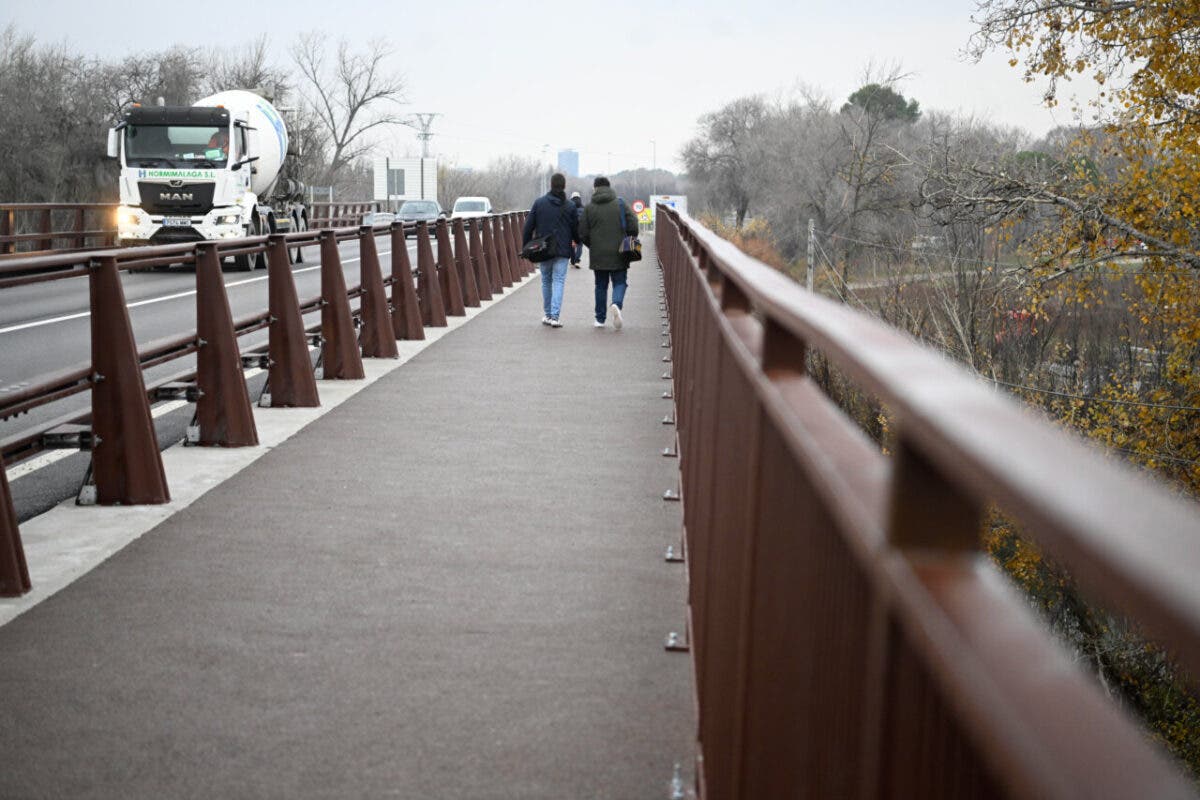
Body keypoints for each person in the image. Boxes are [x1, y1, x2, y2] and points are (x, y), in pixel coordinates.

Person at [578, 176, 638, 330]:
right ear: (609, 187)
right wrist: (628, 240)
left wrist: (593, 245)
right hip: (620, 251)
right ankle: (616, 304)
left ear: (595, 188)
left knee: (600, 285)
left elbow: (582, 232)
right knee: (620, 282)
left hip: (598, 254)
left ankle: (600, 319)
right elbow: (633, 225)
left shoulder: (589, 208)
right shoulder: (620, 204)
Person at [522, 172, 578, 328]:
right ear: (564, 186)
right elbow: (575, 229)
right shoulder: (570, 206)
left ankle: (547, 315)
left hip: (544, 249)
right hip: (562, 250)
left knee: (546, 281)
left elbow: (528, 227)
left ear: (551, 185)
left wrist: (526, 247)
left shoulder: (539, 203)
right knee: (558, 281)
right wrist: (578, 241)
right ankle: (555, 317)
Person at [569, 191, 584, 268]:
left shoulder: (569, 206)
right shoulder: (583, 208)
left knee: (572, 245)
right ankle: (577, 260)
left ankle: (572, 261)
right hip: (581, 229)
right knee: (580, 245)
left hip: (572, 229)